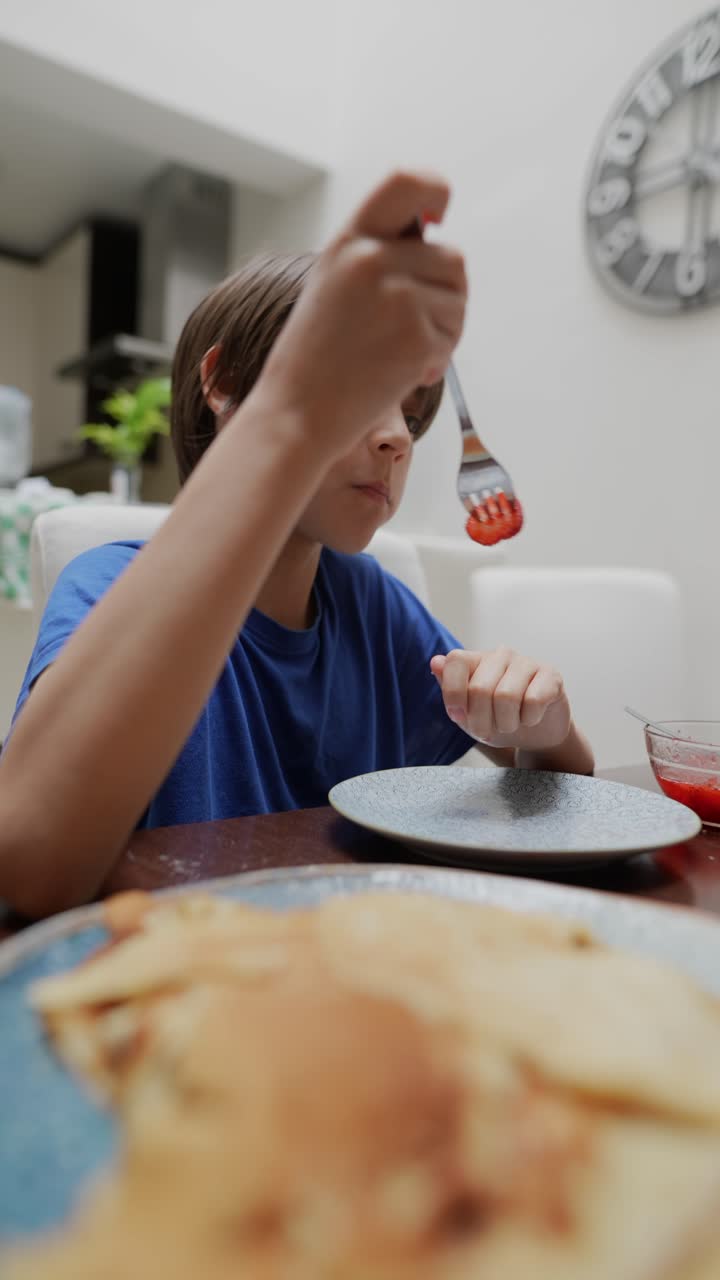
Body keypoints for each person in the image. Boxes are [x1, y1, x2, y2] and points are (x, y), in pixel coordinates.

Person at [0, 171, 593, 919]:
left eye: (411, 416)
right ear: (224, 383)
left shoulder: (371, 602)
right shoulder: (109, 587)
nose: (393, 439)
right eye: (358, 391)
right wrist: (291, 413)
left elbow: (561, 776)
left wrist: (544, 728)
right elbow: (26, 864)